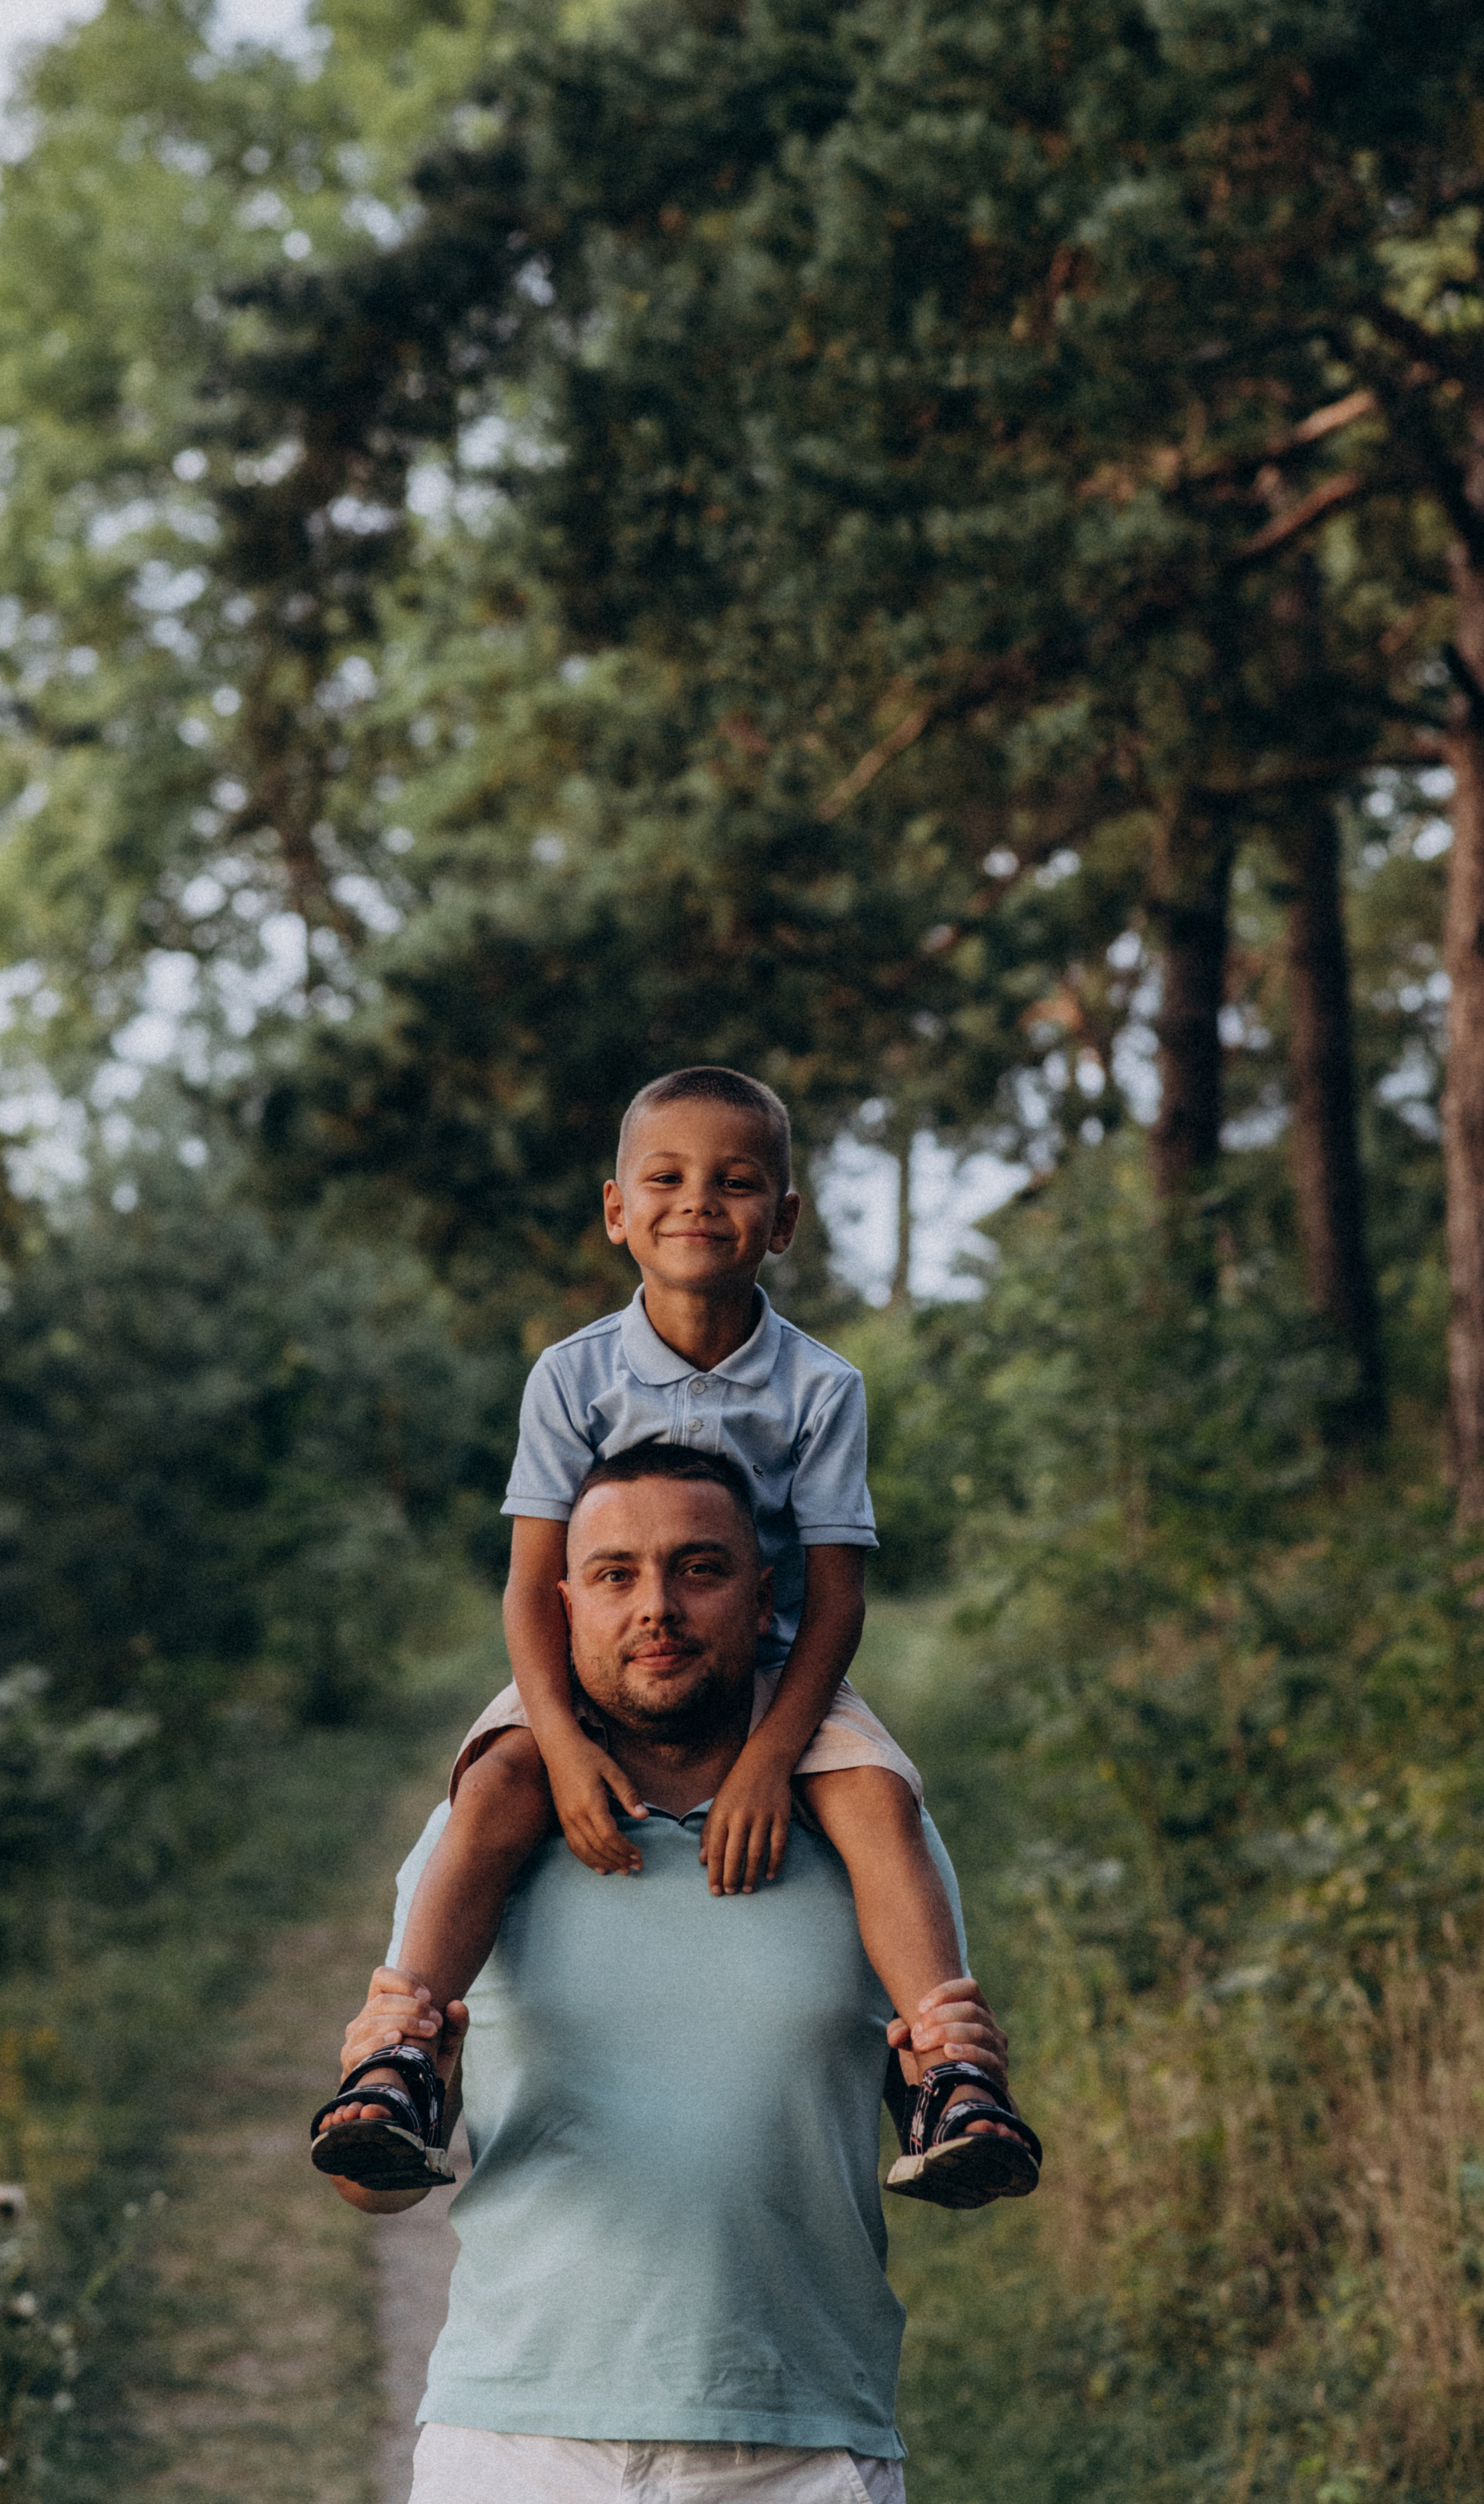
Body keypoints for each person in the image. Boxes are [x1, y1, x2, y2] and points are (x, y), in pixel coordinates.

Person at [312, 1068, 1035, 2210]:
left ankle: (951, 2076)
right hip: (589, 1672)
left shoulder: (820, 1386)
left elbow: (839, 1599)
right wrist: (556, 1740)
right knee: (494, 1782)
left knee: (875, 1799)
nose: (699, 1201)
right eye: (667, 1178)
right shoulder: (572, 1374)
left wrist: (765, 1759)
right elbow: (531, 1587)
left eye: (737, 1182)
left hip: (774, 1661)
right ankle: (395, 2059)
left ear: (784, 1220)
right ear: (616, 1211)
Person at [318, 1450, 1039, 2503]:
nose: (656, 1608)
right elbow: (364, 2192)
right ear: (563, 1608)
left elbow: (960, 2155)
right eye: (615, 1575)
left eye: (698, 1569)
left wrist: (961, 2065)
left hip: (800, 2448)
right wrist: (388, 2078)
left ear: (762, 1602)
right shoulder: (477, 1842)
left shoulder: (876, 1844)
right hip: (515, 2442)